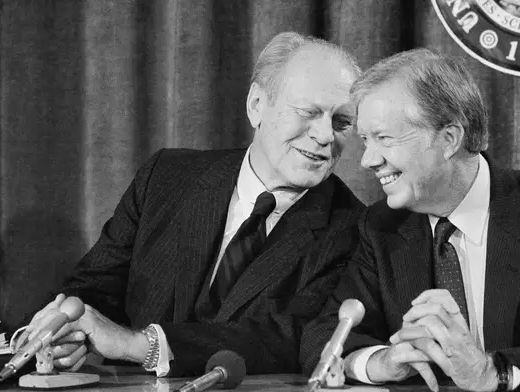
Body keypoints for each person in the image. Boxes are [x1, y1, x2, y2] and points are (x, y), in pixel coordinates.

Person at [21, 31, 365, 378]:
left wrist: (138, 345)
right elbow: (93, 288)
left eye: (342, 122)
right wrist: (65, 329)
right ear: (256, 105)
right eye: (308, 112)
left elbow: (289, 339)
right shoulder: (166, 177)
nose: (325, 136)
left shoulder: (354, 230)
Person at [300, 48, 520, 392]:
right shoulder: (382, 226)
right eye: (365, 140)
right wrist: (381, 361)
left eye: (384, 138)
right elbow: (323, 333)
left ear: (449, 139)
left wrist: (493, 373)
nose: (367, 160)